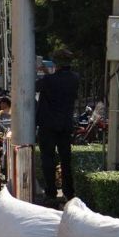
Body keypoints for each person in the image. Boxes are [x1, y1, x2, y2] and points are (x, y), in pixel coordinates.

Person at [36, 48, 79, 202]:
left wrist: (44, 73)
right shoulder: (75, 78)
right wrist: (49, 73)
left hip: (48, 125)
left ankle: (51, 192)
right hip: (65, 124)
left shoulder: (48, 80)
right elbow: (58, 83)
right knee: (65, 159)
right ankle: (69, 191)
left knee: (48, 159)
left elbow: (36, 86)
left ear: (56, 63)